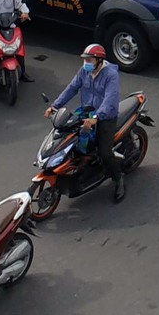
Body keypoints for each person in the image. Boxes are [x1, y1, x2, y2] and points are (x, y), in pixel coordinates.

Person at [48, 44, 126, 202]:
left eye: (89, 60)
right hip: (86, 112)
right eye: (85, 60)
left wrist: (96, 117)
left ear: (98, 60)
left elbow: (110, 100)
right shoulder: (84, 71)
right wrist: (55, 106)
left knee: (105, 152)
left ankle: (119, 180)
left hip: (105, 116)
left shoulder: (111, 74)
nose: (86, 63)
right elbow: (72, 88)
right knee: (71, 140)